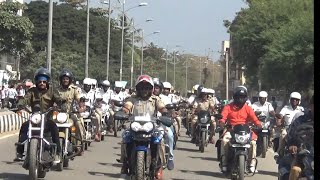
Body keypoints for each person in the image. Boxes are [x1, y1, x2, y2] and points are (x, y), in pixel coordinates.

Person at [119, 75, 168, 178]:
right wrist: (124, 112)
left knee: (161, 141)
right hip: (135, 126)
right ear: (138, 88)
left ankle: (159, 166)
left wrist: (165, 113)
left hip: (151, 126)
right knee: (125, 137)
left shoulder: (155, 99)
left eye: (147, 88)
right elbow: (127, 106)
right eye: (141, 88)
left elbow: (162, 107)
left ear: (151, 89)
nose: (144, 90)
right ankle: (125, 163)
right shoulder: (133, 98)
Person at [14, 67, 61, 163]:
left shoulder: (52, 91)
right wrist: (20, 105)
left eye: (44, 81)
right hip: (35, 119)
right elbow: (25, 99)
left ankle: (57, 153)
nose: (42, 83)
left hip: (47, 119)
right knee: (24, 127)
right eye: (40, 81)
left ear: (47, 82)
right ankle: (20, 151)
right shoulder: (32, 91)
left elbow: (58, 99)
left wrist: (59, 104)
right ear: (36, 82)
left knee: (55, 129)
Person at [219, 86, 262, 173]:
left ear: (245, 98)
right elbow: (223, 117)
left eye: (242, 97)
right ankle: (224, 163)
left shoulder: (247, 108)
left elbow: (255, 119)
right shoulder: (228, 107)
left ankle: (251, 164)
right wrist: (222, 123)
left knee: (253, 143)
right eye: (238, 97)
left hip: (245, 131)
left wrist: (259, 125)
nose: (240, 99)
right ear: (235, 97)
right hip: (231, 130)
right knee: (224, 141)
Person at [54, 69, 85, 152]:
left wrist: (81, 105)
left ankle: (79, 143)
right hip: (57, 114)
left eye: (67, 79)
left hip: (69, 113)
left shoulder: (74, 89)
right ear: (61, 80)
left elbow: (78, 99)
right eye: (63, 79)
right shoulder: (56, 89)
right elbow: (52, 99)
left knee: (79, 123)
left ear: (70, 80)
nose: (65, 80)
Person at [286, 95, 313, 180]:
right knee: (295, 170)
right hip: (304, 156)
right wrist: (292, 144)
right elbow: (291, 135)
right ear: (311, 106)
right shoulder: (300, 121)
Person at [154, 78, 176, 170]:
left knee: (170, 135)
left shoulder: (165, 98)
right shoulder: (146, 97)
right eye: (153, 87)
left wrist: (169, 115)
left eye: (157, 88)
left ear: (160, 89)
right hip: (148, 124)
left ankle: (170, 158)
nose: (155, 89)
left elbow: (170, 110)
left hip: (162, 124)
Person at [274, 92, 304, 158]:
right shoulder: (285, 108)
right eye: (293, 99)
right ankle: (280, 151)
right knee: (283, 134)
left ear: (299, 101)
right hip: (288, 129)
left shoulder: (302, 110)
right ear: (290, 100)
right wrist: (278, 119)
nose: (294, 101)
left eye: (296, 100)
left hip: (299, 130)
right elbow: (281, 115)